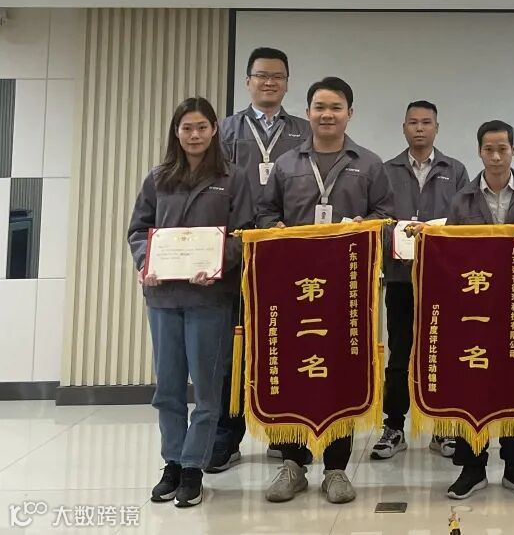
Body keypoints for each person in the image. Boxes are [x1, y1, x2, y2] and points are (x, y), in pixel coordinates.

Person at [256, 76, 395, 504]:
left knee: (342, 371)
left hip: (346, 292)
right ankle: (292, 463)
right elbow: (265, 213)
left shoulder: (369, 164)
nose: (327, 114)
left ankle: (336, 468)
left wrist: (368, 226)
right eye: (319, 107)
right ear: (308, 112)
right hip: (293, 289)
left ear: (350, 113)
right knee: (294, 368)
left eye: (336, 107)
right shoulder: (286, 164)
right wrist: (275, 228)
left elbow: (387, 217)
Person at [127, 97, 254, 508]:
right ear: (176, 132)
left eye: (201, 127)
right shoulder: (158, 178)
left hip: (210, 296)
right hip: (163, 297)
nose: (194, 135)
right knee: (167, 388)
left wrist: (217, 262)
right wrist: (146, 262)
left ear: (215, 130)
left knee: (207, 388)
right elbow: (139, 230)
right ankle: (172, 463)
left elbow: (244, 234)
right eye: (187, 128)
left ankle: (193, 469)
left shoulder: (233, 178)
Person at [209, 46, 310, 473]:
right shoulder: (225, 130)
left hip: (287, 257)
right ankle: (226, 435)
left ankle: (286, 436)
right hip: (238, 253)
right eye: (262, 76)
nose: (269, 82)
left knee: (286, 345)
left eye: (277, 77)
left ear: (287, 83)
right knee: (233, 347)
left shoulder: (305, 131)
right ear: (248, 81)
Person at [445, 120, 514, 500]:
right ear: (479, 152)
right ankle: (472, 467)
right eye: (488, 149)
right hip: (473, 308)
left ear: (513, 150)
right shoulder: (461, 200)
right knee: (470, 378)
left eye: (502, 149)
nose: (495, 156)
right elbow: (450, 254)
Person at [371, 100, 469, 461]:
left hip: (442, 279)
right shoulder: (386, 170)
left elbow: (464, 221)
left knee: (442, 352)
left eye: (426, 122)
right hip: (400, 277)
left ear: (436, 128)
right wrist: (395, 236)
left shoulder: (455, 170)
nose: (419, 128)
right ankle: (394, 426)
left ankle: (443, 428)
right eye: (413, 122)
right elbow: (379, 220)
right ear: (404, 128)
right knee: (400, 352)